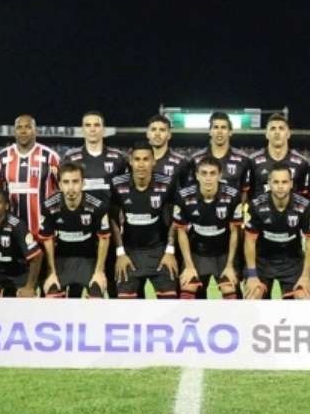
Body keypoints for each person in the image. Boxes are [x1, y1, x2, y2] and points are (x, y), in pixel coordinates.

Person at [62, 111, 129, 297]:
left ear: (103, 129)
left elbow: (124, 192)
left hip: (111, 229)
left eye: (96, 125)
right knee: (76, 285)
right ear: (82, 129)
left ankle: (114, 323)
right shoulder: (71, 157)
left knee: (113, 281)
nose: (92, 129)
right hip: (81, 229)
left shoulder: (118, 158)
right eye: (88, 125)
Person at [110, 141, 179, 299]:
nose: (141, 164)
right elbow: (113, 220)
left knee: (169, 302)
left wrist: (169, 251)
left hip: (160, 252)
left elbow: (176, 218)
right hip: (129, 253)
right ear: (131, 161)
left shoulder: (167, 184)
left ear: (154, 161)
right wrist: (120, 253)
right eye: (137, 159)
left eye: (146, 159)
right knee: (125, 305)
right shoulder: (117, 184)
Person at [243, 162, 310, 299]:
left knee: (303, 298)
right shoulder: (256, 205)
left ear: (291, 184)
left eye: (284, 182)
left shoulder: (305, 206)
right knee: (252, 296)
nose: (280, 186)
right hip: (262, 261)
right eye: (276, 182)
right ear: (269, 184)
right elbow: (249, 240)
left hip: (292, 262)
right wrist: (252, 275)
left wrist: (306, 276)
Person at [174, 157, 243, 299]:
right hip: (197, 253)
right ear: (197, 176)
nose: (208, 178)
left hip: (223, 253)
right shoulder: (184, 196)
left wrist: (230, 266)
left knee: (230, 292)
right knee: (188, 289)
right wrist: (189, 266)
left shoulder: (233, 195)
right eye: (204, 173)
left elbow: (235, 232)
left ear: (220, 175)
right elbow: (181, 232)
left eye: (213, 173)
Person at [39, 162, 111, 298]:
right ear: (59, 185)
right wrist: (51, 272)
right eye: (66, 182)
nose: (71, 187)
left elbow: (104, 238)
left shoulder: (98, 206)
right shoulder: (49, 206)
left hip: (88, 260)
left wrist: (99, 271)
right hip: (61, 260)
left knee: (96, 296)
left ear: (83, 183)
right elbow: (47, 240)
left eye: (75, 181)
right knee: (51, 296)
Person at [0, 114, 60, 237]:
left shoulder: (51, 157)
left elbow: (60, 192)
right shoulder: (0, 158)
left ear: (35, 131)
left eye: (28, 127)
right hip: (10, 227)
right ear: (14, 131)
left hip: (43, 228)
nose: (23, 131)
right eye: (19, 127)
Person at [189, 112, 253, 200]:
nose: (219, 131)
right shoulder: (195, 160)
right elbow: (189, 191)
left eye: (223, 127)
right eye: (216, 127)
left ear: (230, 132)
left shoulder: (244, 160)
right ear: (210, 132)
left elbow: (245, 192)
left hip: (233, 213)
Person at [248, 113, 310, 200]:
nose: (277, 132)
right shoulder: (252, 161)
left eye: (281, 128)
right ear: (266, 134)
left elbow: (304, 195)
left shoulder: (302, 163)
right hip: (260, 212)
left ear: (288, 134)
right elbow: (247, 192)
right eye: (273, 128)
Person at [147, 114, 192, 189]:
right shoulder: (137, 161)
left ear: (169, 135)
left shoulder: (182, 163)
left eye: (162, 130)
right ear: (147, 134)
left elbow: (187, 192)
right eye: (153, 129)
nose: (157, 134)